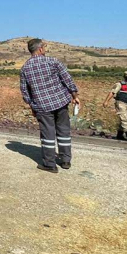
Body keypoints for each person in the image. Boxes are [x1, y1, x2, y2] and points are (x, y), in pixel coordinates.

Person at [19, 39, 80, 173]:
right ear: (40, 49)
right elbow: (67, 79)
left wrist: (32, 107)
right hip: (61, 102)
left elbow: (25, 91)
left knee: (47, 135)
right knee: (63, 131)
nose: (45, 49)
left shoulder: (25, 68)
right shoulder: (53, 61)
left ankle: (49, 164)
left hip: (42, 106)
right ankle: (65, 160)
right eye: (44, 47)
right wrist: (75, 96)